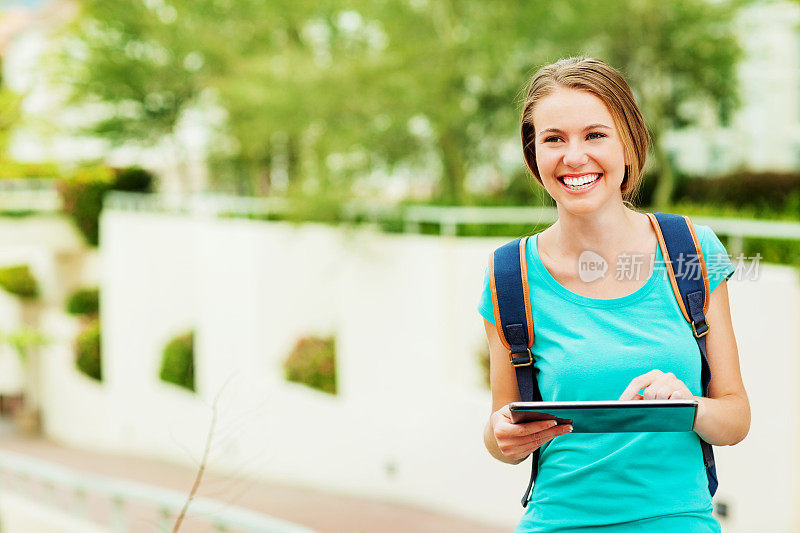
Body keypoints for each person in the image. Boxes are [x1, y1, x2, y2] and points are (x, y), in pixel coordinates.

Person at [477, 56, 750, 532]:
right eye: (553, 139)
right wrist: (502, 436)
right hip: (556, 522)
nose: (574, 156)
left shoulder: (691, 252)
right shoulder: (509, 274)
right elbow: (500, 431)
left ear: (629, 143)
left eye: (595, 135)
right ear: (534, 155)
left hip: (677, 521)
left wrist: (688, 405)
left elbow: (735, 418)